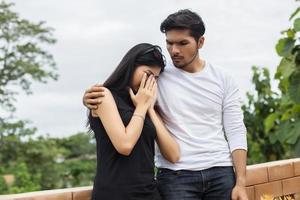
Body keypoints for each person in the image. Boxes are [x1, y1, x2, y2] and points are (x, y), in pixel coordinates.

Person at [84, 9, 248, 200]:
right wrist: (89, 98)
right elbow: (119, 99)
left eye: (182, 43)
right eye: (169, 43)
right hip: (175, 177)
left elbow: (236, 130)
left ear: (200, 42)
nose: (174, 50)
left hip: (220, 170)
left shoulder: (222, 78)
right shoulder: (159, 74)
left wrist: (241, 182)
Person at [87, 43, 180, 200]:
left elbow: (173, 154)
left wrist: (149, 108)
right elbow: (125, 145)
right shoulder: (104, 95)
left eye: (155, 78)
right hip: (114, 194)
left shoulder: (143, 105)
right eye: (147, 74)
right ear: (131, 66)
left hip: (149, 193)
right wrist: (142, 107)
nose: (150, 82)